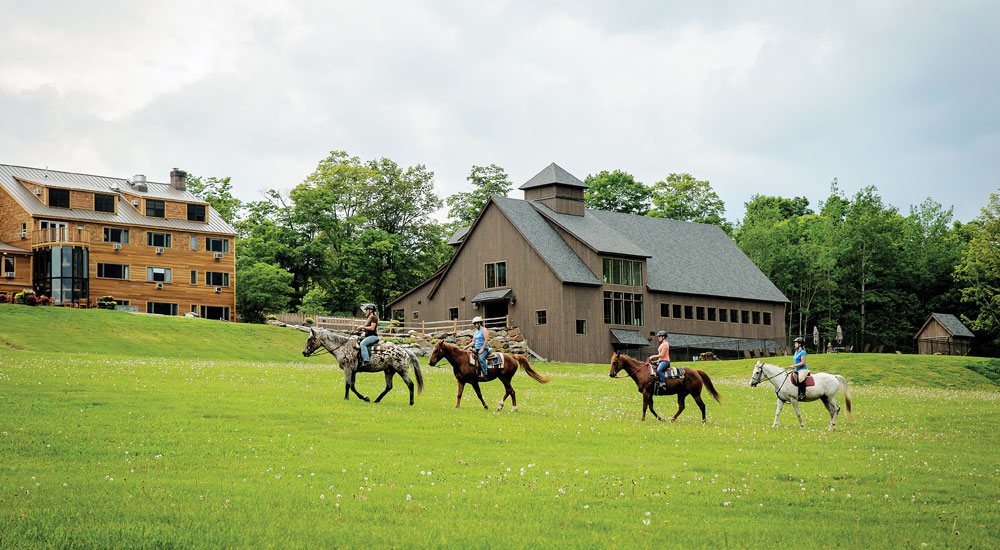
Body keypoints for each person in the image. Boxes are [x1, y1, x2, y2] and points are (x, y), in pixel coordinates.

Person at [465, 316, 490, 380]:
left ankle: (485, 374)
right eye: (474, 324)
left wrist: (482, 349)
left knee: (481, 359)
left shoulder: (484, 330)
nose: (475, 325)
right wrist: (466, 346)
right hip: (476, 348)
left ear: (479, 323)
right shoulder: (475, 332)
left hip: (484, 348)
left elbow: (486, 340)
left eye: (476, 324)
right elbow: (473, 342)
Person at [355, 303, 379, 368]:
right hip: (368, 336)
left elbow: (372, 328)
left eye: (366, 310)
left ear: (370, 310)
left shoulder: (373, 318)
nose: (365, 311)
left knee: (363, 344)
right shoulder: (369, 318)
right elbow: (367, 328)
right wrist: (362, 330)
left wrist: (362, 327)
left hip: (373, 337)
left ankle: (366, 360)